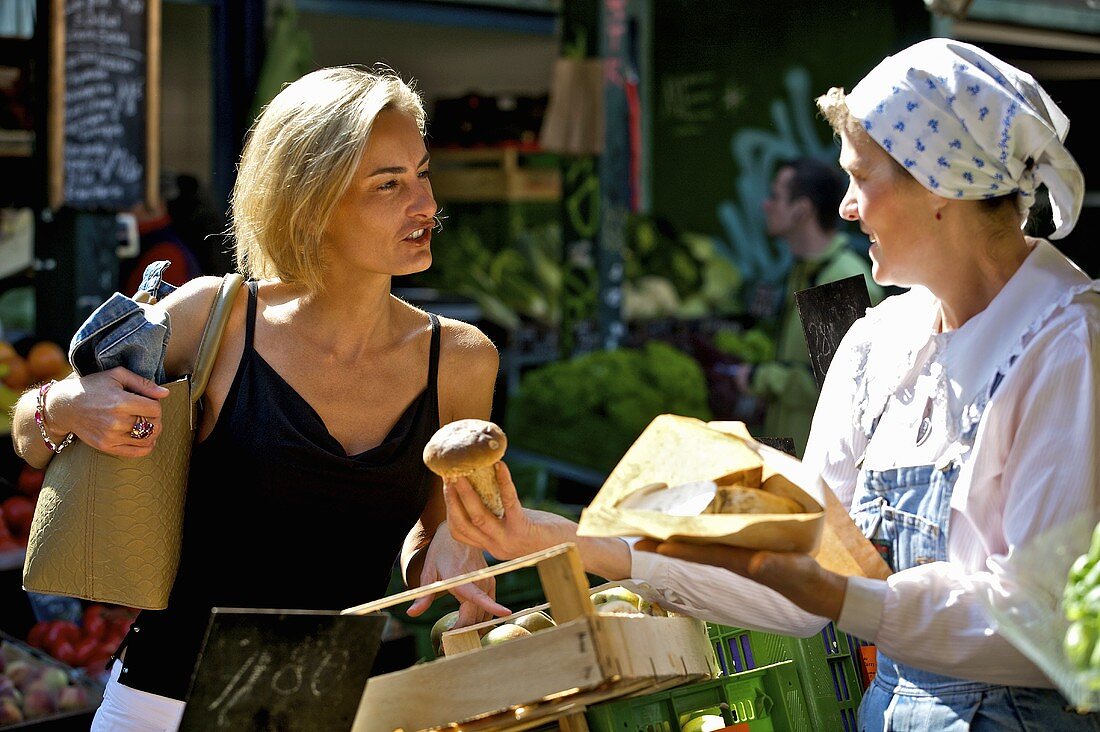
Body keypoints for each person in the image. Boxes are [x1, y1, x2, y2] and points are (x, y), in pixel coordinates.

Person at [442, 39, 1100, 730]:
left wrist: (843, 595)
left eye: (861, 177)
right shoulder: (876, 345)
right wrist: (581, 543)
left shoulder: (1069, 348)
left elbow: (1047, 627)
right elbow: (798, 594)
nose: (845, 207)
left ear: (939, 185)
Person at [12, 66, 506, 729]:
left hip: (330, 708)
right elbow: (29, 432)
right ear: (311, 200)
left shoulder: (462, 361)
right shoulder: (209, 318)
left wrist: (450, 550)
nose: (424, 205)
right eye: (388, 185)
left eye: (421, 173)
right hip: (163, 705)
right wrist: (69, 407)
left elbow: (435, 526)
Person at [737, 157, 884, 456]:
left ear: (802, 210)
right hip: (792, 462)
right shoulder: (806, 270)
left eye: (775, 196)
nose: (766, 205)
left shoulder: (838, 278)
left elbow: (836, 390)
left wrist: (759, 378)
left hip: (820, 474)